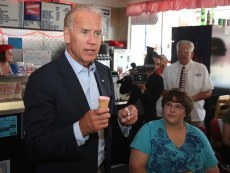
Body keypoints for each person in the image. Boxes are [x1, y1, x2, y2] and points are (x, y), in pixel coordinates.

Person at [23, 5, 138, 173]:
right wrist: (80, 129)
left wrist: (120, 118)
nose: (93, 41)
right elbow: (34, 146)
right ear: (67, 35)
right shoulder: (42, 80)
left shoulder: (103, 72)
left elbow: (107, 115)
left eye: (97, 33)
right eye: (85, 32)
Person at [129, 88, 219, 173]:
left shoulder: (198, 135)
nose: (172, 110)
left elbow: (213, 170)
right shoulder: (148, 130)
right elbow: (135, 167)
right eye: (168, 105)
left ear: (186, 112)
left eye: (178, 107)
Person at [163, 40, 213, 127]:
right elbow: (164, 90)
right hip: (173, 115)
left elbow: (208, 91)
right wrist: (175, 99)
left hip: (195, 115)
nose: (183, 54)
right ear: (177, 52)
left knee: (196, 139)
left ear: (192, 54)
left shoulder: (201, 68)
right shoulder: (168, 69)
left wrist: (190, 99)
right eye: (180, 51)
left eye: (186, 52)